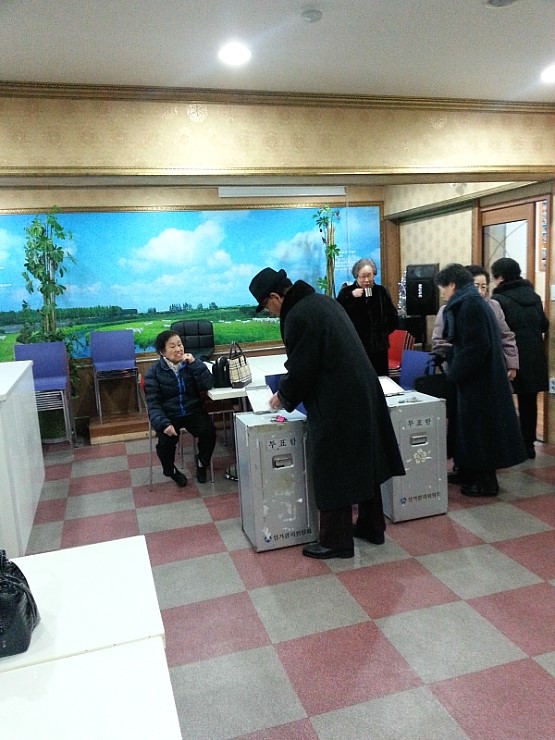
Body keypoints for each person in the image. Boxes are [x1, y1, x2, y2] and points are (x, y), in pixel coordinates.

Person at [248, 267, 405, 559]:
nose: (269, 312)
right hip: (362, 390)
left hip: (337, 400)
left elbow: (303, 366)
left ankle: (336, 541)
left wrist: (282, 396)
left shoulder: (298, 315)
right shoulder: (321, 301)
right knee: (363, 459)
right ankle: (372, 526)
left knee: (332, 467)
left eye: (266, 306)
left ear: (274, 297)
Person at [436, 263, 526, 496]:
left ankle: (486, 483)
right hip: (477, 378)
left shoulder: (470, 305)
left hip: (480, 381)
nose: (442, 294)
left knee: (481, 432)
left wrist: (455, 372)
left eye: (442, 288)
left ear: (452, 285)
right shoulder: (470, 302)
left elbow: (476, 346)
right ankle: (468, 472)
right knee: (470, 429)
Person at [490, 257, 549, 459]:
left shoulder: (498, 300)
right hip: (534, 356)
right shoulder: (534, 296)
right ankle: (528, 446)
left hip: (510, 357)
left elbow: (498, 331)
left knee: (503, 400)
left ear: (500, 277)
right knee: (529, 402)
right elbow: (544, 324)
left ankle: (507, 444)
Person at [144, 330, 216, 486]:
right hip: (169, 415)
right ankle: (171, 471)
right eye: (172, 346)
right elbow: (153, 404)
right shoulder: (153, 372)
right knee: (165, 444)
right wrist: (163, 423)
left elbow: (208, 384)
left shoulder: (191, 364)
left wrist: (196, 364)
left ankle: (202, 462)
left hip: (192, 410)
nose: (178, 349)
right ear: (162, 352)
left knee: (209, 431)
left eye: (180, 344)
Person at [336, 258, 399, 376]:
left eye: (369, 275)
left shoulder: (381, 291)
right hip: (356, 347)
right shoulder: (346, 293)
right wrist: (351, 296)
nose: (366, 280)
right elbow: (338, 315)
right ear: (356, 276)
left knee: (381, 379)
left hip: (379, 348)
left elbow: (393, 317)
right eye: (363, 276)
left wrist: (382, 333)